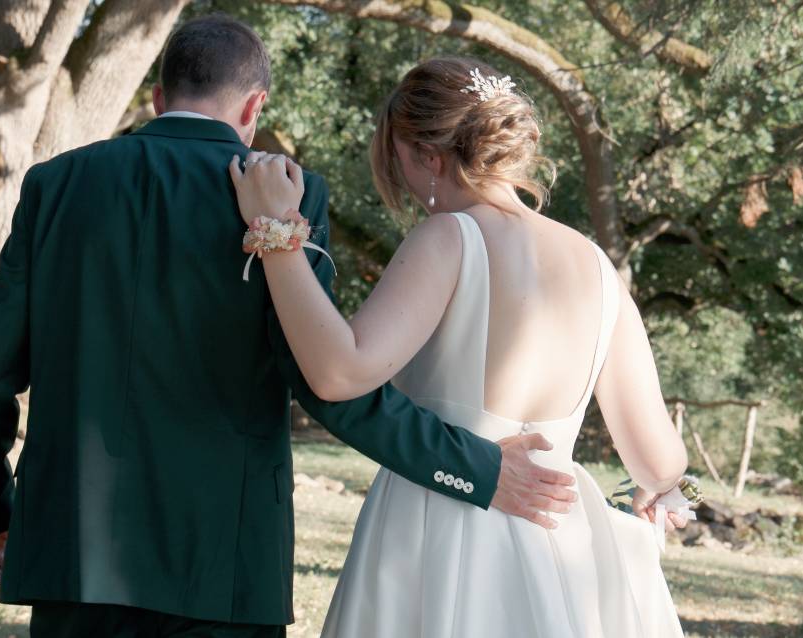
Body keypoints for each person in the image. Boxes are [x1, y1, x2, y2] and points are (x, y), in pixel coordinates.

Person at [0, 18, 577, 638]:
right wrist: (478, 469)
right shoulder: (291, 194)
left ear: (160, 98)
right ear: (255, 105)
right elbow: (328, 381)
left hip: (73, 555)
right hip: (228, 559)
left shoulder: (55, 184)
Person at [229, 57, 691, 637]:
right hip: (559, 545)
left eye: (396, 156)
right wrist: (665, 488)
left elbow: (339, 373)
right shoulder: (598, 267)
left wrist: (277, 234)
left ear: (428, 155)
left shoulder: (449, 238)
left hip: (440, 531)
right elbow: (657, 461)